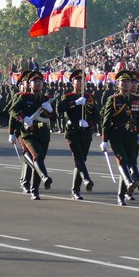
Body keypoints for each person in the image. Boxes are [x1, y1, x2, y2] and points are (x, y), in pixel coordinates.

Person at [8, 70, 55, 200]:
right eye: (35, 81)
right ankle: (44, 177)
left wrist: (51, 110)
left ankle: (35, 189)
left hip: (44, 134)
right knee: (37, 156)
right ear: (30, 84)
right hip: (28, 133)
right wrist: (23, 118)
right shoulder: (24, 98)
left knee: (39, 161)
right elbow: (12, 111)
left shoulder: (46, 99)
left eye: (40, 81)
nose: (38, 83)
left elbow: (54, 117)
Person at [100, 70, 139, 206]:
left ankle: (128, 189)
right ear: (117, 84)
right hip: (117, 134)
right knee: (123, 159)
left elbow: (138, 119)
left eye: (128, 82)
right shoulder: (113, 99)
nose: (126, 84)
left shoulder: (136, 99)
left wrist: (138, 133)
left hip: (131, 134)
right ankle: (130, 182)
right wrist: (104, 140)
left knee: (131, 160)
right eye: (123, 82)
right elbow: (106, 120)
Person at [56, 68, 97, 200]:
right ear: (72, 83)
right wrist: (75, 103)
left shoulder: (90, 97)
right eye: (77, 80)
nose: (80, 83)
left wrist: (88, 124)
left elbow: (96, 116)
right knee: (78, 158)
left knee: (80, 161)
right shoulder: (68, 97)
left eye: (82, 80)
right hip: (72, 132)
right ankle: (86, 179)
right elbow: (59, 109)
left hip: (85, 133)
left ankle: (75, 190)